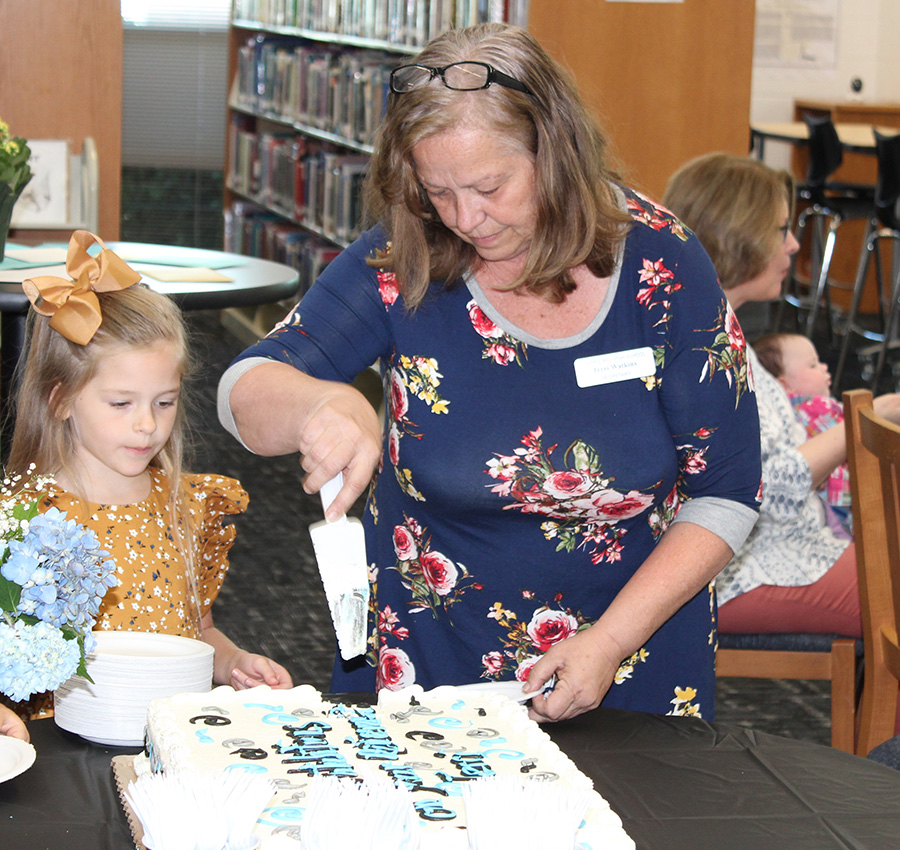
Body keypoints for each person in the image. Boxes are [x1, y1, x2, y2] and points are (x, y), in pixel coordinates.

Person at [218, 25, 761, 723]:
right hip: (431, 673)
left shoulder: (662, 264)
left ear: (555, 153)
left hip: (633, 661)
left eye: (489, 186)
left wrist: (610, 643)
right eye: (437, 189)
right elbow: (242, 391)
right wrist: (321, 406)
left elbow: (728, 492)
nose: (467, 218)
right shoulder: (407, 257)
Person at [3, 230, 292, 720]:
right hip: (64, 752)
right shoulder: (22, 519)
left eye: (165, 402)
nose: (147, 424)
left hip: (169, 742)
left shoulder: (188, 505)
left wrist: (233, 663)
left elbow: (197, 632)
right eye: (121, 404)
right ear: (61, 400)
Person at [663, 152, 900, 640]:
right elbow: (764, 490)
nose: (793, 245)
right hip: (745, 566)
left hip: (772, 547)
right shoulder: (705, 346)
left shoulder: (719, 332)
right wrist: (863, 422)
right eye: (778, 230)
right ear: (736, 235)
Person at [753, 331, 852, 529]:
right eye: (813, 365)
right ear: (784, 385)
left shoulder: (779, 414)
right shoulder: (816, 408)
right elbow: (859, 442)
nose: (824, 367)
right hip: (844, 504)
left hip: (823, 506)